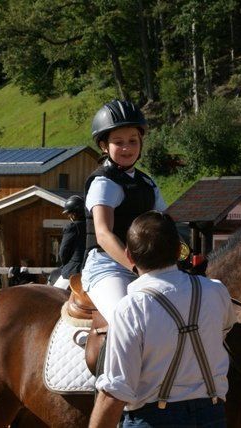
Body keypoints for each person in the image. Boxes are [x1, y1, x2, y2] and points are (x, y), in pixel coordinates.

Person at [89, 211, 235, 428]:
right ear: (178, 250)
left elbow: (116, 391)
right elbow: (223, 331)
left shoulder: (131, 308)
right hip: (212, 414)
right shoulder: (216, 291)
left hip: (153, 419)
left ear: (129, 256)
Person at [82, 99, 167, 323]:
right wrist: (137, 268)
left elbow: (167, 226)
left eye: (132, 141)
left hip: (146, 267)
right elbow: (103, 235)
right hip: (108, 268)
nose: (127, 148)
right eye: (118, 142)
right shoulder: (103, 182)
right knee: (127, 319)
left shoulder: (147, 183)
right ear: (104, 146)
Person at [52, 195, 86, 290]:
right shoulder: (94, 225)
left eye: (69, 213)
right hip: (94, 267)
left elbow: (63, 252)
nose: (69, 216)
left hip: (75, 269)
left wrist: (65, 265)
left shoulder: (72, 227)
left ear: (75, 213)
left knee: (55, 293)